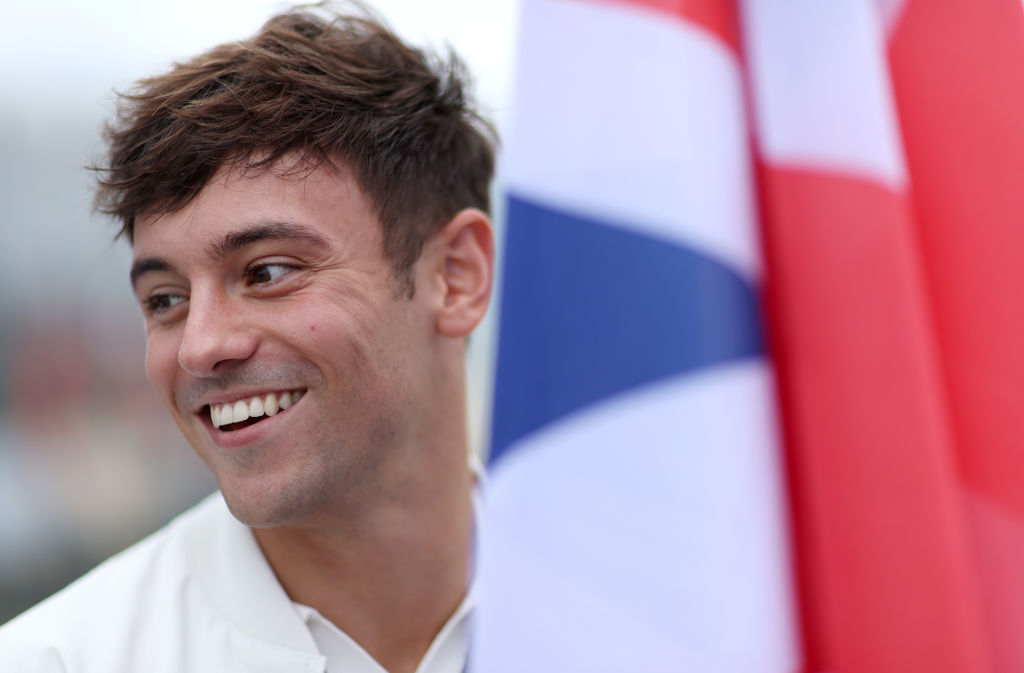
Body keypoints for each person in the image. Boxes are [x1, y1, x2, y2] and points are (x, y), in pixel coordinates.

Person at [0, 5, 496, 673]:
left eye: (266, 271)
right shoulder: (57, 659)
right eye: (166, 300)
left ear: (456, 276)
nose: (200, 345)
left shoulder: (656, 611)